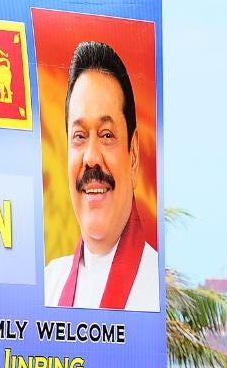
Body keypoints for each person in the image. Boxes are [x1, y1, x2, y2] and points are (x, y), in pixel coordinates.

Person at [44, 40, 158, 312]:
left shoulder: (158, 287)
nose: (91, 157)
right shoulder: (49, 285)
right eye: (80, 137)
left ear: (133, 154)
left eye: (107, 135)